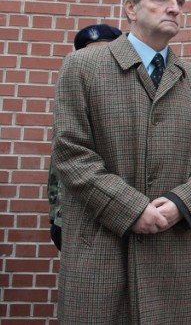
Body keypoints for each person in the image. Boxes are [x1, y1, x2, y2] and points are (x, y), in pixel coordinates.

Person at [52, 0, 191, 324]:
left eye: (180, 0)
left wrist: (181, 203)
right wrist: (132, 209)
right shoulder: (83, 67)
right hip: (100, 252)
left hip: (168, 254)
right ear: (131, 8)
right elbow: (72, 154)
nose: (174, 7)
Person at [47, 23, 122, 251]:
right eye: (88, 53)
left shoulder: (126, 97)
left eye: (102, 52)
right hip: (72, 215)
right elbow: (59, 164)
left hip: (119, 213)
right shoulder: (74, 96)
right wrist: (56, 215)